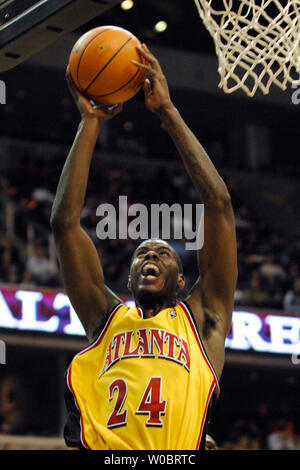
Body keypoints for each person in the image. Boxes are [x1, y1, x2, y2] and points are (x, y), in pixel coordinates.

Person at [50, 44, 237, 450]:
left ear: (184, 279)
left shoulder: (204, 320)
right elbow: (65, 226)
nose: (150, 255)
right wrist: (90, 124)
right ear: (130, 277)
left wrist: (167, 112)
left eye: (162, 253)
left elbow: (218, 205)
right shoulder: (106, 319)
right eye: (141, 254)